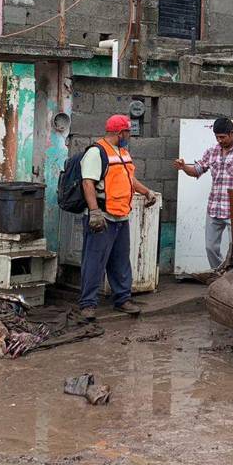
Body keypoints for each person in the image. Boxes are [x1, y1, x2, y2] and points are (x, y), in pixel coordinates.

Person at [78, 113, 158, 320]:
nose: (129, 135)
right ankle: (88, 304)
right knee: (94, 261)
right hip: (102, 216)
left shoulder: (122, 153)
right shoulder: (97, 152)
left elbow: (130, 179)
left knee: (121, 261)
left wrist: (147, 192)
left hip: (121, 215)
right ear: (119, 132)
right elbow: (88, 183)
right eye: (127, 131)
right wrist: (94, 212)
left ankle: (122, 299)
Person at [174, 117, 233, 273]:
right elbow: (197, 170)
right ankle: (220, 275)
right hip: (214, 208)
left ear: (231, 133)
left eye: (223, 137)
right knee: (210, 247)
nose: (220, 140)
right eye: (217, 137)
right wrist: (183, 167)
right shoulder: (212, 151)